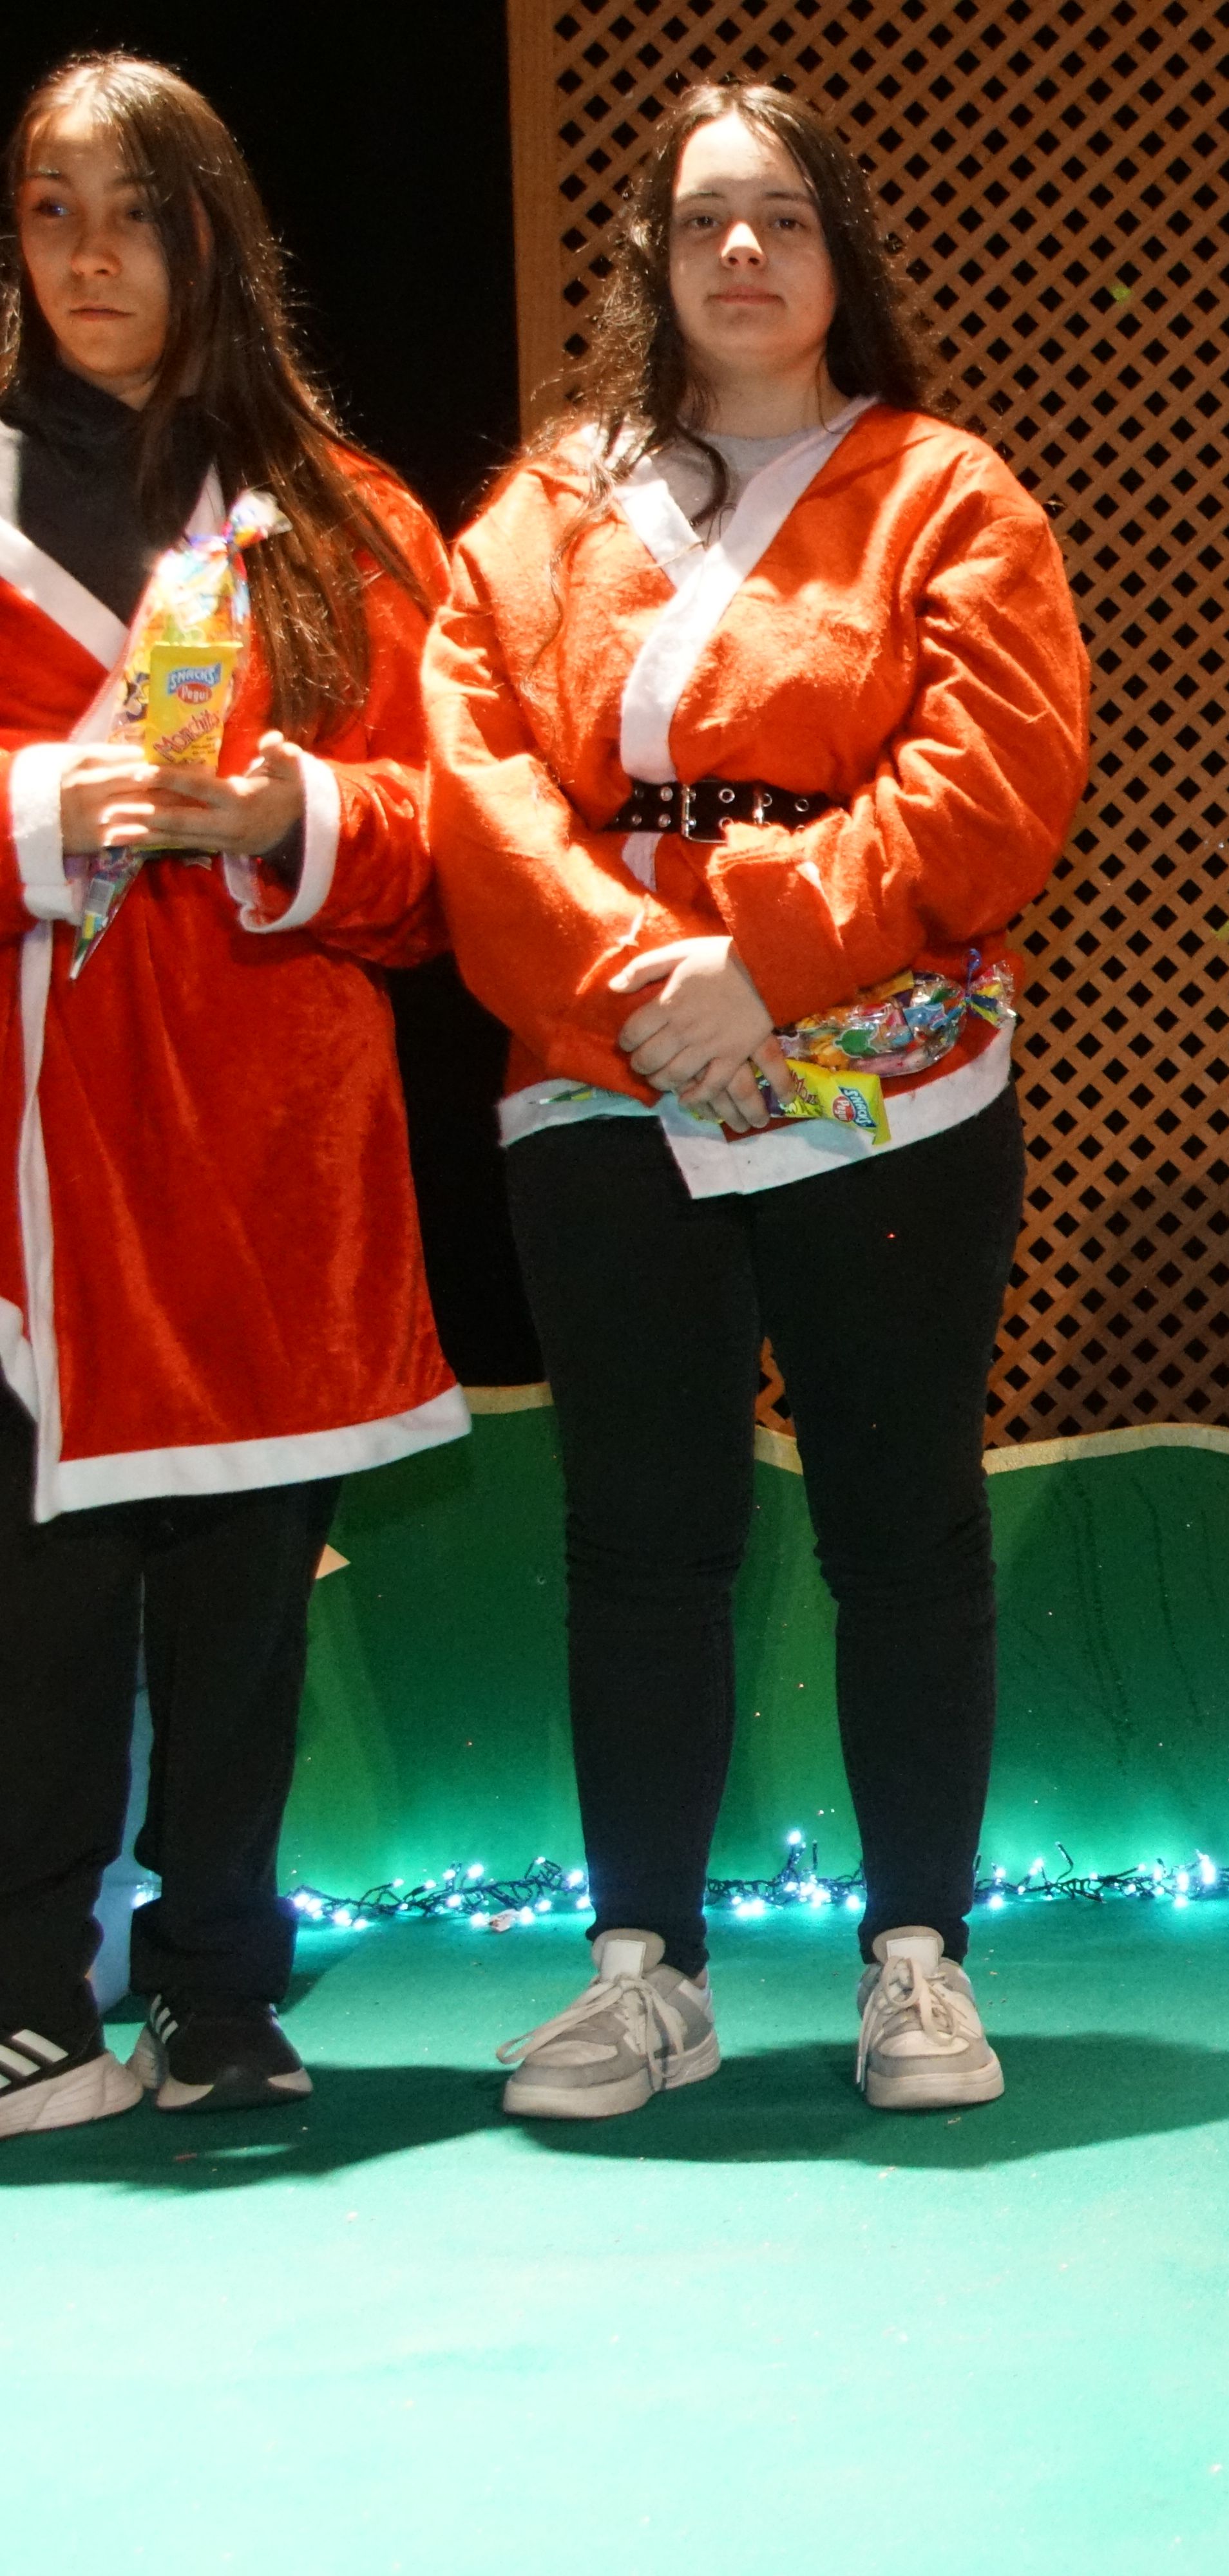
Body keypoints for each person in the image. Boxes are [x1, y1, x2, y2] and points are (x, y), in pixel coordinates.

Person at [423, 83, 1087, 2116]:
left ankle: (919, 1959)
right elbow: (476, 776)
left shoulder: (947, 493)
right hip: (608, 1064)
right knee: (643, 1531)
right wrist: (641, 981)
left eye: (780, 218)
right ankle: (645, 1973)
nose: (740, 255)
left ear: (837, 257)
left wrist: (765, 957)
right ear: (651, 260)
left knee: (902, 1526)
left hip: (884, 1071)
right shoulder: (539, 516)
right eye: (704, 220)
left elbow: (994, 776)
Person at [0, 53, 463, 2139]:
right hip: (35, 1150)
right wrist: (31, 808)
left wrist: (288, 807)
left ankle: (217, 1982)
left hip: (275, 1143)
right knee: (41, 1593)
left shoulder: (348, 520)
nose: (92, 255)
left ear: (216, 238)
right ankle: (27, 1993)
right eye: (47, 210)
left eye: (137, 210)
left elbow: (454, 845)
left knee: (247, 1594)